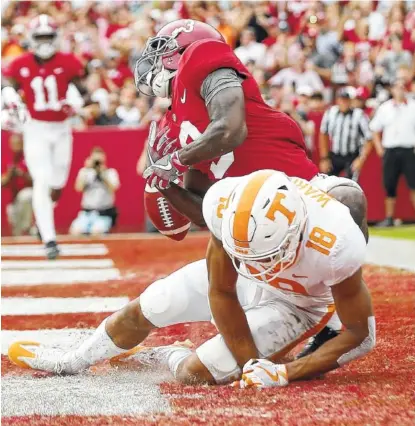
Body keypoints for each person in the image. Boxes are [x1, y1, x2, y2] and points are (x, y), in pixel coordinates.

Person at [8, 171, 375, 389]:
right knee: (152, 304)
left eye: (267, 255)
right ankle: (71, 360)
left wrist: (281, 373)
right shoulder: (226, 205)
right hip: (241, 281)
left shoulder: (335, 242)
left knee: (194, 373)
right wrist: (251, 364)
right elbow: (221, 290)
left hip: (297, 303)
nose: (260, 263)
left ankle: (168, 355)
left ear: (299, 232)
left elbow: (358, 335)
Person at [137, 19, 368, 355]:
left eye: (166, 52)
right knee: (225, 363)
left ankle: (337, 316)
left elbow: (231, 130)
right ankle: (172, 353)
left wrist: (174, 162)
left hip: (300, 191)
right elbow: (201, 214)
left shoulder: (206, 62)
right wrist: (165, 185)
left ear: (186, 53)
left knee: (348, 199)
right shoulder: (173, 125)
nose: (157, 62)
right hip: (251, 224)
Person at [1, 15, 85, 259]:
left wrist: (76, 103)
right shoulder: (19, 64)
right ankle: (49, 238)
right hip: (35, 128)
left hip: (61, 129)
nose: (45, 42)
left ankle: (42, 221)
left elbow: (83, 93)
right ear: (32, 39)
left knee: (58, 181)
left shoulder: (69, 62)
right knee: (43, 180)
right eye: (41, 37)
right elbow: (7, 85)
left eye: (49, 36)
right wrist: (9, 99)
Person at [369, 79, 415, 227]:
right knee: (389, 184)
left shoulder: (413, 107)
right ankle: (389, 217)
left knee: (413, 184)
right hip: (391, 150)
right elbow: (375, 128)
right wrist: (379, 148)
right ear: (392, 90)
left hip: (409, 149)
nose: (400, 90)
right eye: (397, 87)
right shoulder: (385, 108)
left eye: (403, 87)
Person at [319, 87, 372, 182]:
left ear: (350, 101)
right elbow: (323, 134)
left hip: (351, 156)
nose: (343, 102)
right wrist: (324, 158)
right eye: (341, 100)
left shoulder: (359, 115)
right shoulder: (330, 113)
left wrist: (361, 158)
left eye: (346, 100)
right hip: (334, 155)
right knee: (327, 184)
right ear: (337, 100)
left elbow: (369, 138)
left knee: (350, 186)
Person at [69, 147, 119, 235]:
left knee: (96, 232)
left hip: (103, 214)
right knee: (75, 231)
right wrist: (86, 169)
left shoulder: (110, 173)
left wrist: (102, 174)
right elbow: (78, 188)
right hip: (86, 213)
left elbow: (113, 188)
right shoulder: (85, 172)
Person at [1, 134, 33, 236]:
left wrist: (22, 173)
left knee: (26, 196)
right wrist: (9, 174)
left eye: (18, 144)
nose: (16, 146)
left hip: (27, 193)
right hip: (13, 198)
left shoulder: (29, 158)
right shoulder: (8, 159)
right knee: (15, 228)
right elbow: (2, 182)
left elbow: (36, 180)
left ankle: (27, 226)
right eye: (13, 144)